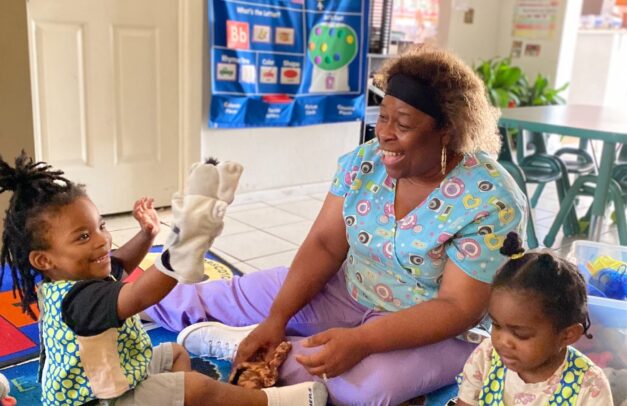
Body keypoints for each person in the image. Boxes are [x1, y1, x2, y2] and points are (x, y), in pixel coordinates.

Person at [145, 45, 529, 405]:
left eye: (404, 124)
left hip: (430, 328)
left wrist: (362, 341)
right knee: (221, 298)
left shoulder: (489, 200)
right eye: (383, 117)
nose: (385, 133)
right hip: (347, 290)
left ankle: (257, 347)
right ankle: (123, 301)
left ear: (447, 130)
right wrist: (277, 317)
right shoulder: (366, 163)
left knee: (370, 387)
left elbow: (457, 306)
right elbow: (326, 245)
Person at [0, 153, 327, 406]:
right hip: (99, 398)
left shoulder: (75, 273)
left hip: (112, 370)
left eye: (101, 226)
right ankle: (277, 400)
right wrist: (182, 245)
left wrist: (147, 234)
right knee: (198, 387)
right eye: (83, 236)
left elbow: (121, 262)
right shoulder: (80, 301)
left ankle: (181, 399)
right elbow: (143, 294)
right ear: (45, 260)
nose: (101, 239)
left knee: (174, 353)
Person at [456, 232, 613, 405]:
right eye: (496, 325)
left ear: (568, 335)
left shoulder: (589, 388)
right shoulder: (486, 356)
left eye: (521, 334)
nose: (503, 341)